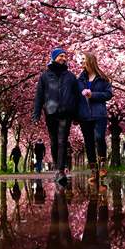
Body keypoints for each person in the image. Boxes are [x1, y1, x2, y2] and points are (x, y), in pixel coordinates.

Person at [33, 48, 79, 183]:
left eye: (65, 56)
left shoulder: (70, 76)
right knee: (54, 142)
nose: (64, 58)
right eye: (61, 56)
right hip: (51, 112)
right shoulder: (45, 76)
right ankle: (57, 167)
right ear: (54, 58)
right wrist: (36, 113)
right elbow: (39, 96)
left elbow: (76, 96)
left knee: (62, 141)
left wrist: (76, 114)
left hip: (66, 113)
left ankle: (60, 170)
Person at [77, 52, 113, 181]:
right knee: (89, 143)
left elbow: (108, 95)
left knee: (99, 138)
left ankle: (103, 166)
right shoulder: (79, 79)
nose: (81, 62)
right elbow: (76, 97)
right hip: (84, 115)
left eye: (83, 59)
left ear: (90, 61)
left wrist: (93, 95)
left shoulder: (103, 78)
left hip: (99, 114)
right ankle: (93, 171)